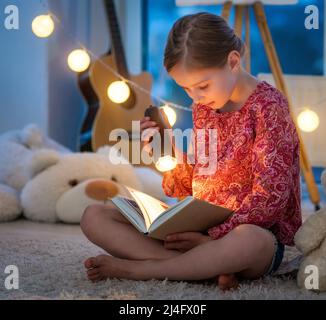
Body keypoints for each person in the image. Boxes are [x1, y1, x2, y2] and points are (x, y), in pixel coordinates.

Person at [80, 12, 302, 290]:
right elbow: (193, 184)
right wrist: (167, 151)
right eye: (185, 88)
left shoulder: (269, 108)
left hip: (255, 235)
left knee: (248, 240)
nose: (196, 98)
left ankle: (146, 270)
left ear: (233, 62)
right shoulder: (205, 108)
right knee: (95, 216)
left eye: (202, 86)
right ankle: (206, 267)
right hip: (200, 231)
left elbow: (271, 200)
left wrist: (215, 238)